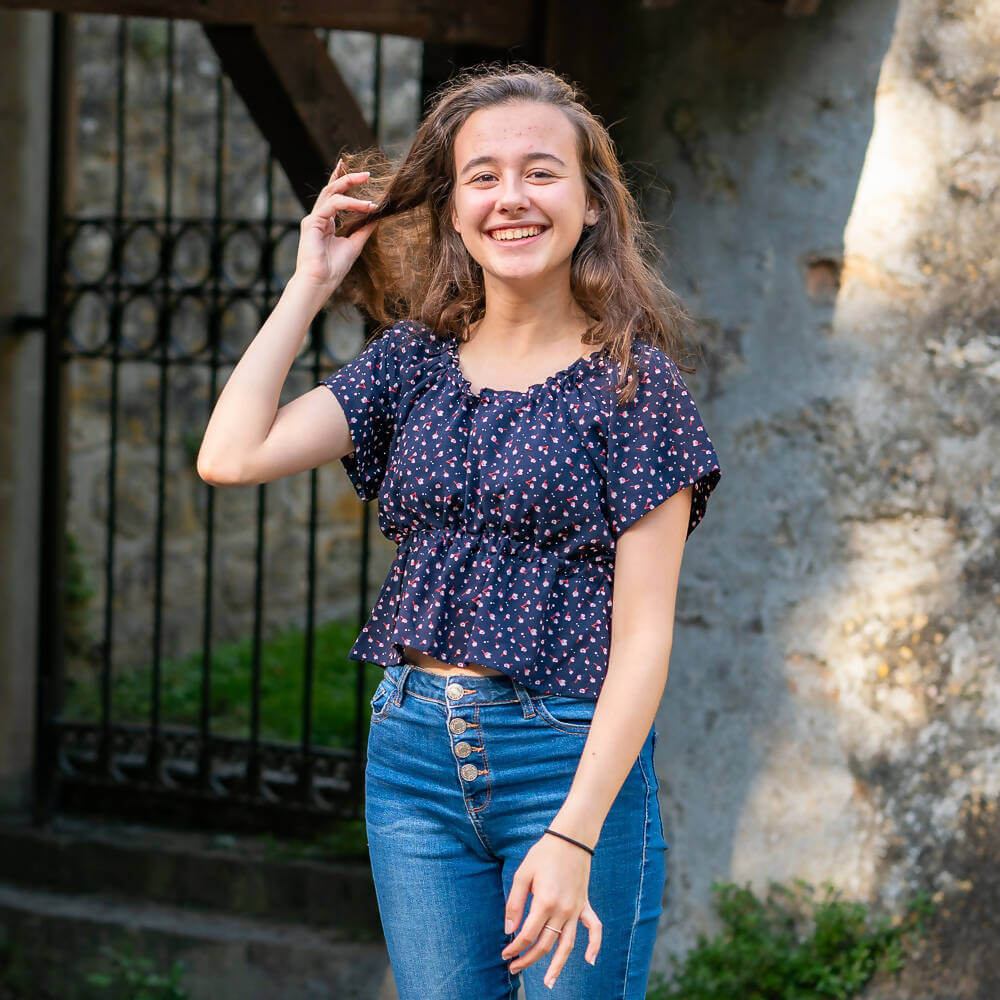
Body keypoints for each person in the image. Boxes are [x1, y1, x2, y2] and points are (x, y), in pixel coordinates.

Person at [198, 61, 721, 1000]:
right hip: (413, 761)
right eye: (482, 176)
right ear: (451, 209)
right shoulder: (411, 363)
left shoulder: (637, 392)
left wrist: (574, 832)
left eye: (541, 172)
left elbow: (645, 638)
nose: (510, 198)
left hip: (564, 761)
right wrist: (312, 280)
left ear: (593, 204)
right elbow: (231, 455)